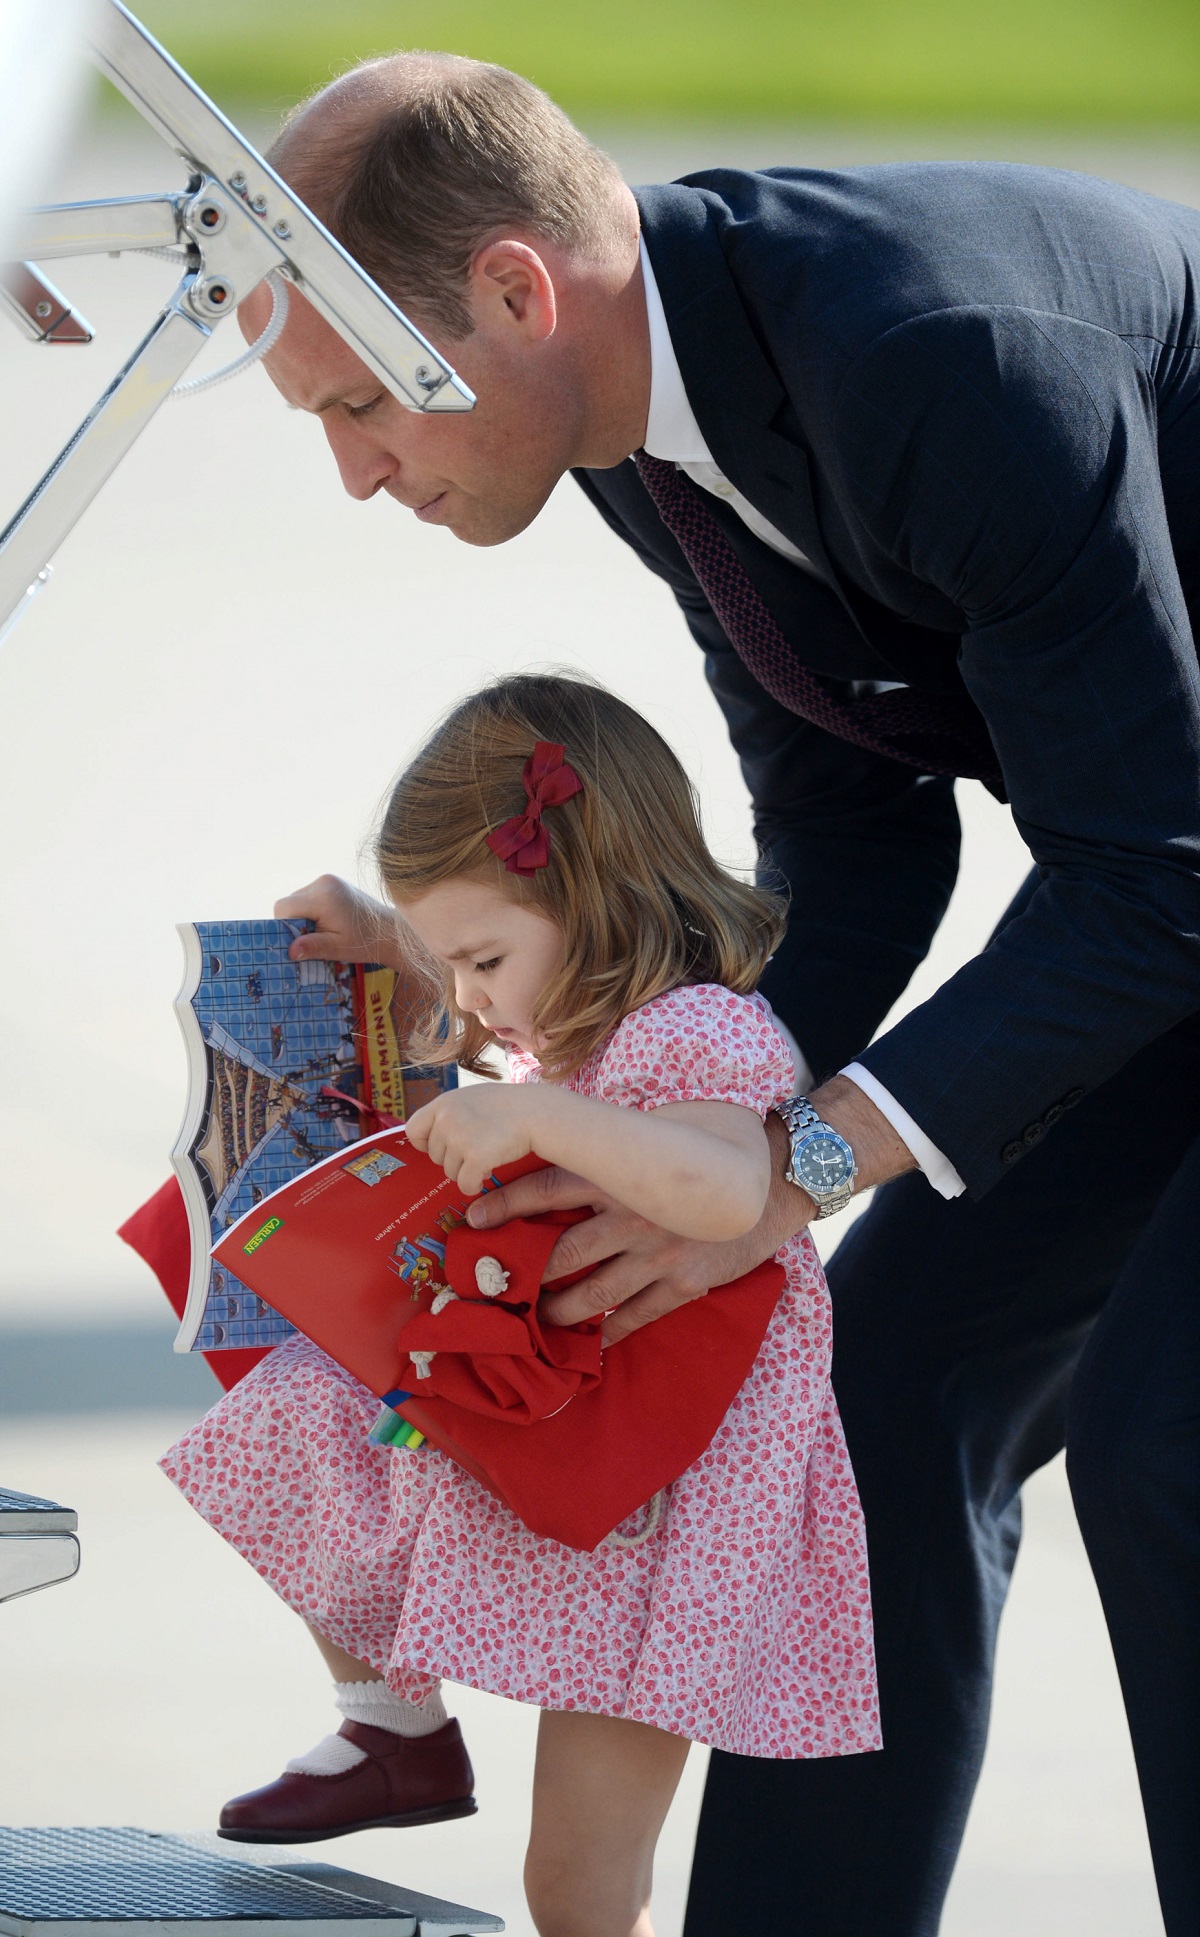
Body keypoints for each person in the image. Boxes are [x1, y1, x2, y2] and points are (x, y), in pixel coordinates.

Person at [230, 57, 1200, 1937]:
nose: (354, 469)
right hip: (1179, 871)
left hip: (1176, 869)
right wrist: (679, 1121)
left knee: (1174, 1435)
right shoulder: (636, 429)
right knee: (888, 1383)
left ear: (514, 291)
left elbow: (1152, 871)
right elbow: (856, 829)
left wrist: (801, 1160)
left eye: (359, 402)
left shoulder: (934, 359)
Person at [161, 672, 880, 1937]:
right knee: (303, 1412)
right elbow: (495, 1021)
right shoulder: (576, 1032)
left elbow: (724, 1187)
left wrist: (539, 1108)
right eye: (457, 966)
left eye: (485, 960)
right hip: (579, 1449)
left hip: (666, 1504)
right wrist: (395, 945)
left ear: (593, 900)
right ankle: (398, 1727)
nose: (477, 1000)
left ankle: (403, 1734)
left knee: (580, 1883)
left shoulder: (704, 1032)